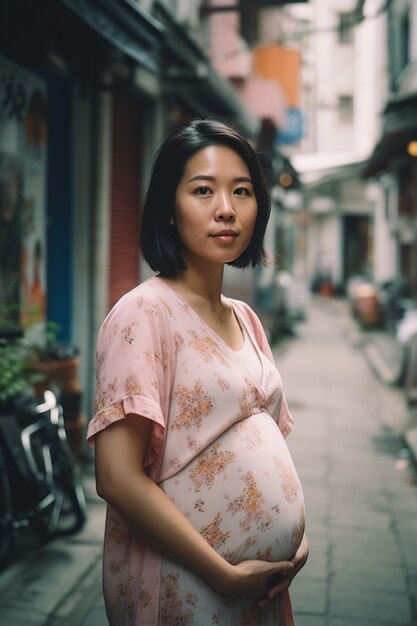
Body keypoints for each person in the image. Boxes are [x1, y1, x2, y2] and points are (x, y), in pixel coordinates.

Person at [88, 119, 308, 626]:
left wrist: (299, 540)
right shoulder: (145, 314)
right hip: (186, 585)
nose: (226, 208)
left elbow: (273, 444)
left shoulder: (245, 318)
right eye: (203, 190)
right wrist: (224, 574)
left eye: (242, 191)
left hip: (262, 591)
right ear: (168, 207)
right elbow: (116, 478)